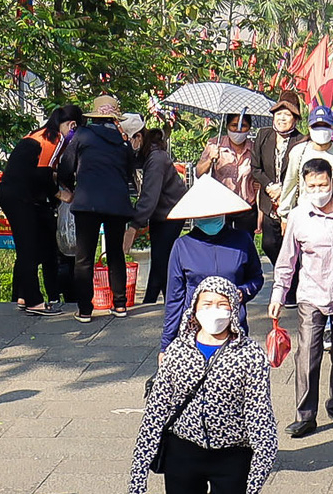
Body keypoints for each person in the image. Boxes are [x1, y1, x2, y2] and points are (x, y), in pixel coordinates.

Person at [127, 276, 280, 494]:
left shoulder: (250, 354)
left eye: (223, 305)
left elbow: (260, 414)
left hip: (232, 454)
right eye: (207, 305)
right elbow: (158, 409)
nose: (216, 312)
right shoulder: (178, 352)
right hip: (184, 452)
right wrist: (139, 468)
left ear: (234, 309)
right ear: (194, 310)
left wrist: (258, 470)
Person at [271, 158, 333, 437]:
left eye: (323, 184)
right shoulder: (298, 216)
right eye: (312, 185)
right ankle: (305, 415)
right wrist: (278, 294)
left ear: (332, 181)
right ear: (304, 185)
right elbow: (287, 259)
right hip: (312, 294)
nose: (318, 190)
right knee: (308, 355)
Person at [159, 175, 264, 354]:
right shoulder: (182, 246)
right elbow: (174, 298)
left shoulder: (242, 240)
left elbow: (256, 278)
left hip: (233, 326)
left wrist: (243, 291)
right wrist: (166, 344)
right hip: (194, 330)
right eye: (206, 214)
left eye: (215, 213)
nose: (211, 217)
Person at [57, 95, 136, 323]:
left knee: (84, 258)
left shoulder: (82, 134)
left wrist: (72, 188)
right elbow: (130, 171)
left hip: (87, 202)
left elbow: (65, 168)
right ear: (113, 117)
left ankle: (84, 310)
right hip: (117, 204)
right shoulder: (124, 141)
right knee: (115, 254)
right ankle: (119, 304)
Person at [1, 105, 81, 315]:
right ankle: (34, 302)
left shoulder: (38, 134)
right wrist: (60, 194)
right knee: (28, 248)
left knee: (32, 244)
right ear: (72, 125)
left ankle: (23, 295)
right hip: (19, 197)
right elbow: (42, 175)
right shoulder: (54, 139)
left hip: (13, 193)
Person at [132, 121, 188, 305]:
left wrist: (134, 225)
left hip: (171, 213)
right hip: (162, 213)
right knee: (159, 258)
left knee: (161, 258)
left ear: (138, 137)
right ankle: (160, 301)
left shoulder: (156, 159)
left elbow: (149, 196)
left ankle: (168, 302)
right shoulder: (148, 155)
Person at [249, 91, 304, 272]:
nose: (282, 118)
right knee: (269, 244)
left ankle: (291, 284)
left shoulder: (302, 141)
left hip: (292, 203)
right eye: (279, 113)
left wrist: (284, 190)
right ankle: (283, 274)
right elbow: (256, 168)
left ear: (295, 119)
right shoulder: (263, 136)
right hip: (269, 202)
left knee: (292, 246)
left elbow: (303, 173)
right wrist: (269, 185)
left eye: (287, 114)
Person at [278, 106, 333, 216]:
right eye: (316, 126)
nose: (321, 130)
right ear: (309, 128)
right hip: (306, 216)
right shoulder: (298, 152)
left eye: (325, 126)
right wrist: (284, 215)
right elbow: (289, 186)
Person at [197, 112, 259, 207]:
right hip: (221, 205)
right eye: (234, 125)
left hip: (247, 207)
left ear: (249, 128)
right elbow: (199, 174)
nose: (238, 129)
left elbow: (259, 176)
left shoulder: (255, 149)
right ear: (227, 126)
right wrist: (210, 159)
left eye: (243, 126)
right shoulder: (214, 144)